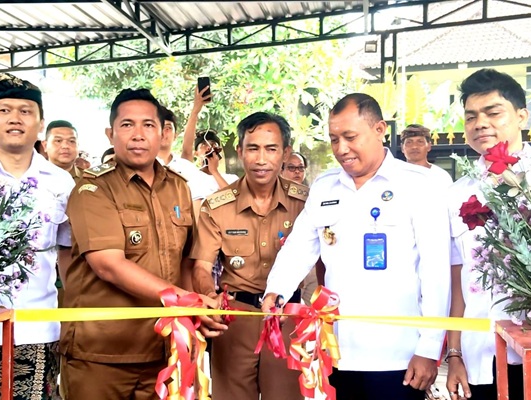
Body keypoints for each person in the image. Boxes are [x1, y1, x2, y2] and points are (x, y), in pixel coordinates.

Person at [263, 93, 451, 400]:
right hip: (339, 351)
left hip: (398, 356)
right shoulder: (325, 187)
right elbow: (299, 248)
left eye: (350, 137)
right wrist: (276, 291)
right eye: (334, 139)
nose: (341, 149)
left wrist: (429, 348)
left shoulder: (419, 185)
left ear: (379, 130)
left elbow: (436, 273)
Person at [59, 88, 226, 399]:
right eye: (127, 125)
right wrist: (187, 301)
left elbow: (185, 260)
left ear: (162, 133)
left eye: (148, 125)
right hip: (102, 354)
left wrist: (194, 313)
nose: (138, 134)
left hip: (163, 349)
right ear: (110, 134)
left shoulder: (178, 187)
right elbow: (108, 265)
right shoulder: (92, 190)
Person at [446, 68, 531, 400]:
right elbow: (459, 280)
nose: (480, 123)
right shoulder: (457, 193)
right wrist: (454, 353)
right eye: (471, 116)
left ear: (522, 116)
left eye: (493, 113)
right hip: (481, 354)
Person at [0, 73, 74, 400]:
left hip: (35, 330)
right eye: (4, 110)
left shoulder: (60, 182)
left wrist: (71, 316)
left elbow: (67, 254)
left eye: (25, 111)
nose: (15, 118)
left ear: (40, 124)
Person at [190, 111, 307, 400]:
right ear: (240, 151)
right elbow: (202, 266)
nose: (261, 159)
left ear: (285, 153)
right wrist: (209, 297)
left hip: (286, 318)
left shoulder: (305, 202)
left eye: (271, 149)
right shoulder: (217, 206)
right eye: (253, 148)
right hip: (234, 319)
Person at [280, 151, 320, 306]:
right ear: (281, 170)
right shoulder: (272, 199)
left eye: (300, 168)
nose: (297, 172)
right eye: (291, 168)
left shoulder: (313, 197)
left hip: (312, 268)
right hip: (286, 267)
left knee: (311, 314)